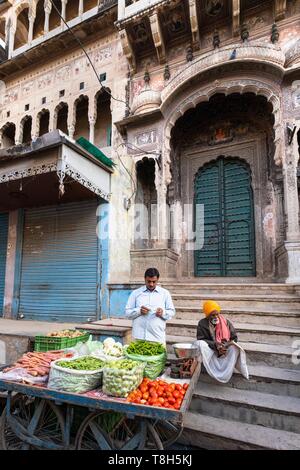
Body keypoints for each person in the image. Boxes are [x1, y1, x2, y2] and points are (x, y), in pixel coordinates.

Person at [194, 300, 249, 383]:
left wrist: (226, 345)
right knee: (199, 344)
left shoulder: (226, 322)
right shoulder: (202, 323)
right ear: (207, 315)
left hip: (224, 349)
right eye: (213, 315)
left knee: (235, 348)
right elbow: (201, 339)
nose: (216, 317)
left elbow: (234, 338)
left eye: (217, 314)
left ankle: (226, 372)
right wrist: (215, 344)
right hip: (211, 350)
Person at [125, 267, 175, 344]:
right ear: (144, 279)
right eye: (149, 281)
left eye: (154, 282)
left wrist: (163, 313)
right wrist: (139, 311)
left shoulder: (165, 293)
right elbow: (127, 313)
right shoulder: (135, 293)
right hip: (139, 337)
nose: (151, 284)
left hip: (157, 337)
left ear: (158, 279)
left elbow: (172, 312)